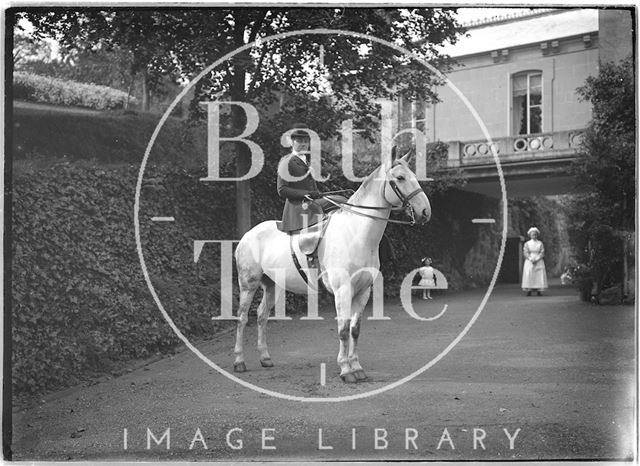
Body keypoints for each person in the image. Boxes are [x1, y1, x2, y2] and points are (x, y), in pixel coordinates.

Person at [276, 123, 339, 233]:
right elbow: (282, 190)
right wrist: (307, 193)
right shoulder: (286, 161)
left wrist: (317, 193)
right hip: (298, 208)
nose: (304, 144)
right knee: (340, 200)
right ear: (291, 142)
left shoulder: (307, 162)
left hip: (311, 204)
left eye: (306, 141)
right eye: (300, 141)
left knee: (340, 202)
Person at [522, 226, 548, 296]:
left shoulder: (540, 243)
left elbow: (542, 252)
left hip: (538, 260)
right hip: (529, 260)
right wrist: (530, 259)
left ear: (537, 235)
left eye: (535, 234)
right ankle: (529, 290)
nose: (534, 236)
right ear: (530, 235)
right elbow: (525, 252)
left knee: (539, 275)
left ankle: (539, 290)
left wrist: (537, 259)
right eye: (532, 234)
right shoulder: (527, 244)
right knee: (529, 274)